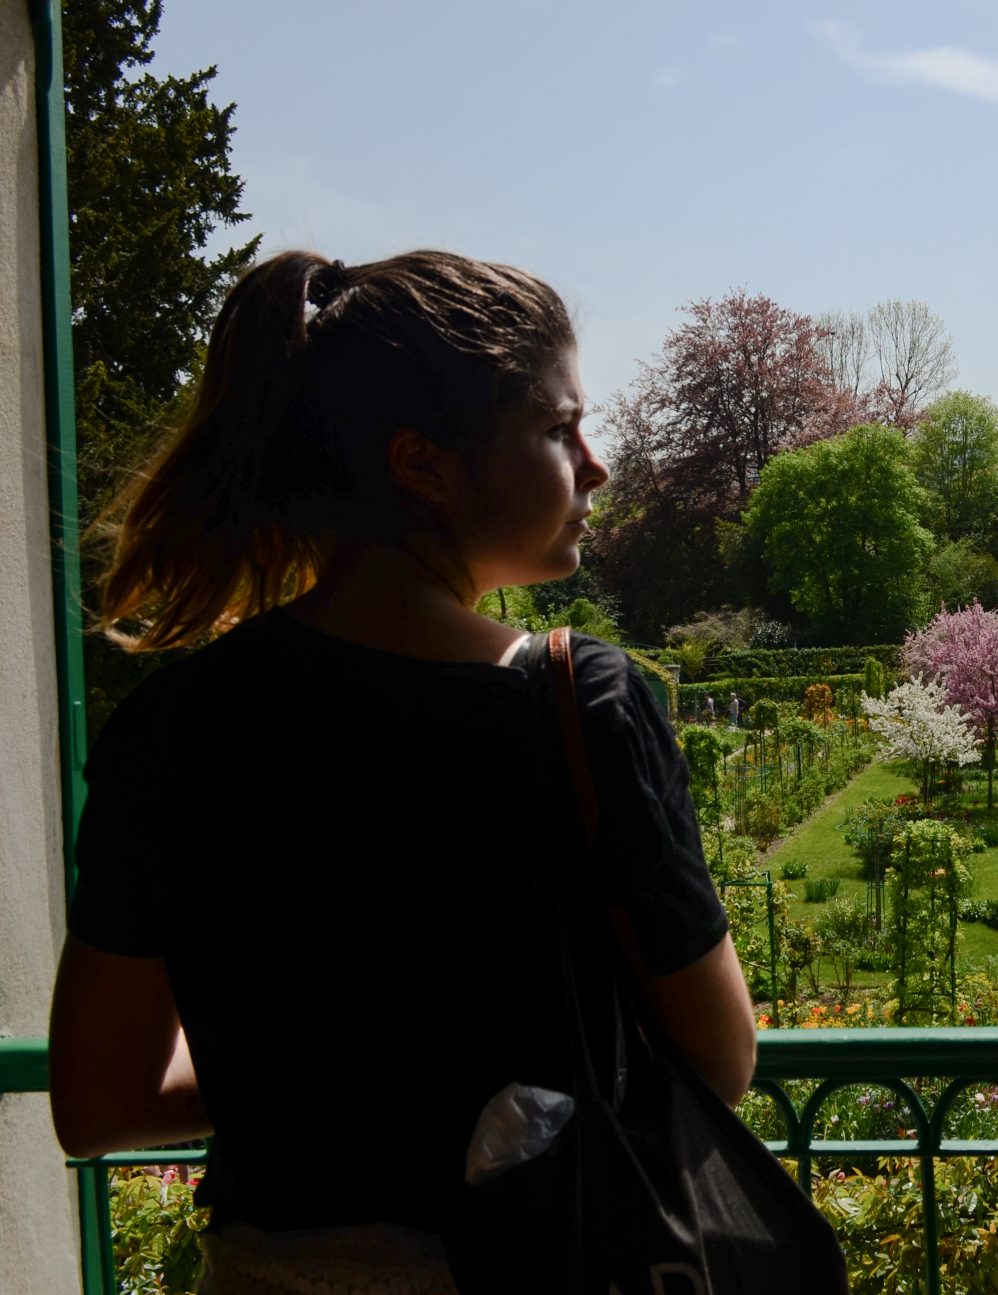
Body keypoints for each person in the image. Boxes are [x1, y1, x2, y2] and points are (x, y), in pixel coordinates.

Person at [45, 250, 758, 1293]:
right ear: (423, 463)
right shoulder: (577, 706)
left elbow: (96, 1104)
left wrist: (299, 1077)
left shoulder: (173, 725)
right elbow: (720, 1058)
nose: (595, 465)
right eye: (560, 428)